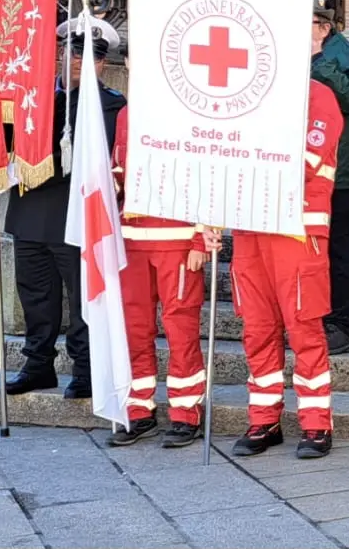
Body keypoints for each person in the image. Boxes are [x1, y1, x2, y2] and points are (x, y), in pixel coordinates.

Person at [1, 18, 126, 400]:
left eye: (92, 55)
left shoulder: (112, 106)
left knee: (82, 299)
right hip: (30, 210)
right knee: (35, 297)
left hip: (76, 216)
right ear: (58, 54)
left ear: (103, 63)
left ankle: (85, 368)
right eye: (72, 52)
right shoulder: (31, 98)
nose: (79, 61)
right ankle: (37, 364)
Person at [229, 73, 344, 459]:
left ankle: (315, 424)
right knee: (257, 329)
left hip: (297, 229)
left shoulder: (318, 96)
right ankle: (264, 419)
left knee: (304, 329)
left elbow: (307, 160)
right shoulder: (244, 93)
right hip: (250, 228)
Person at [107, 102, 214, 449]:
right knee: (134, 329)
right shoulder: (126, 114)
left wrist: (201, 237)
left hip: (178, 242)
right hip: (131, 241)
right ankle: (139, 408)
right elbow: (118, 170)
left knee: (180, 328)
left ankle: (186, 413)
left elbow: (209, 175)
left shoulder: (190, 110)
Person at [309, 0, 349, 356]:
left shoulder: (341, 54)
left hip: (338, 170)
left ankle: (342, 323)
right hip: (311, 168)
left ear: (323, 27)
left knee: (336, 247)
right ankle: (321, 314)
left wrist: (320, 61)